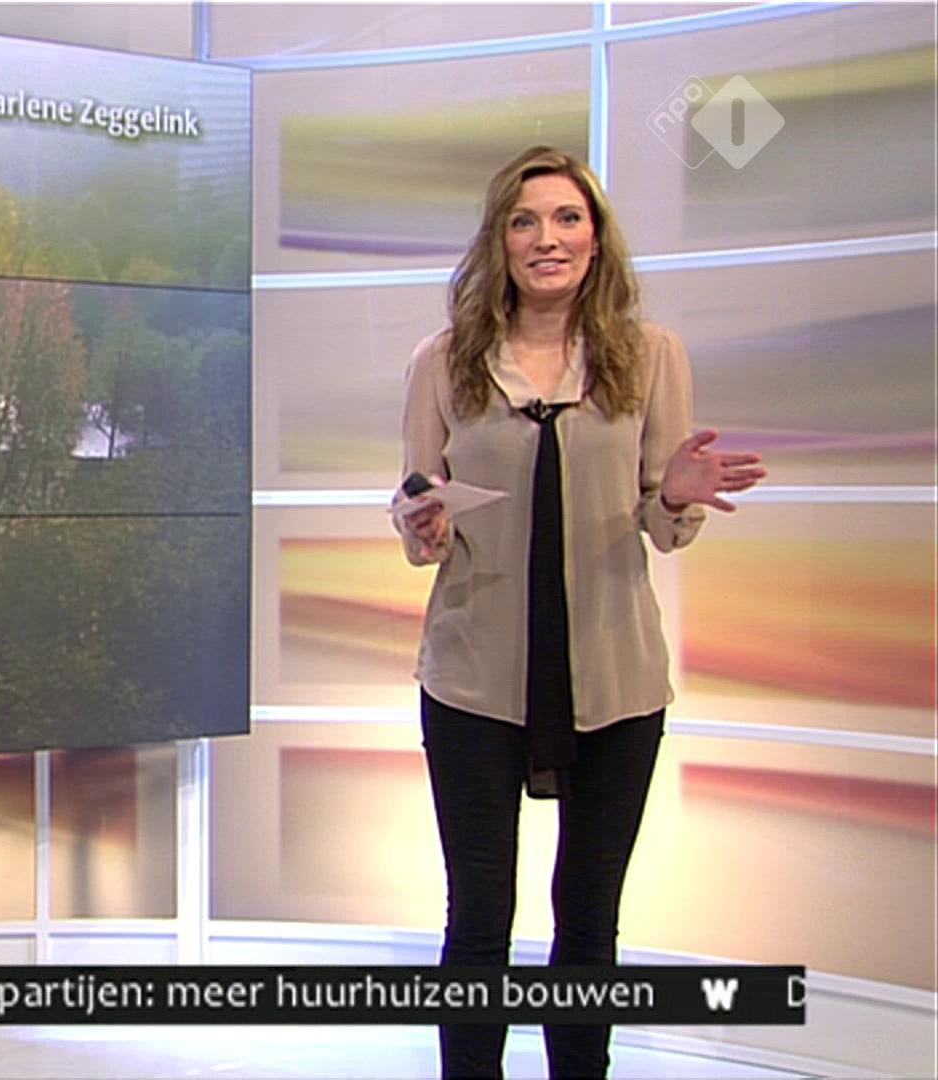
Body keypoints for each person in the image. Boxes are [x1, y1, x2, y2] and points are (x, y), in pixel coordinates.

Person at [394, 146, 766, 1079]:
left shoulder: (650, 357)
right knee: (478, 916)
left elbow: (664, 527)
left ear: (596, 239)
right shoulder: (443, 361)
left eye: (567, 218)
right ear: (500, 240)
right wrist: (421, 522)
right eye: (524, 221)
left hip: (614, 678)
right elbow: (420, 516)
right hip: (475, 676)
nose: (546, 239)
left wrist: (673, 493)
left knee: (590, 916)